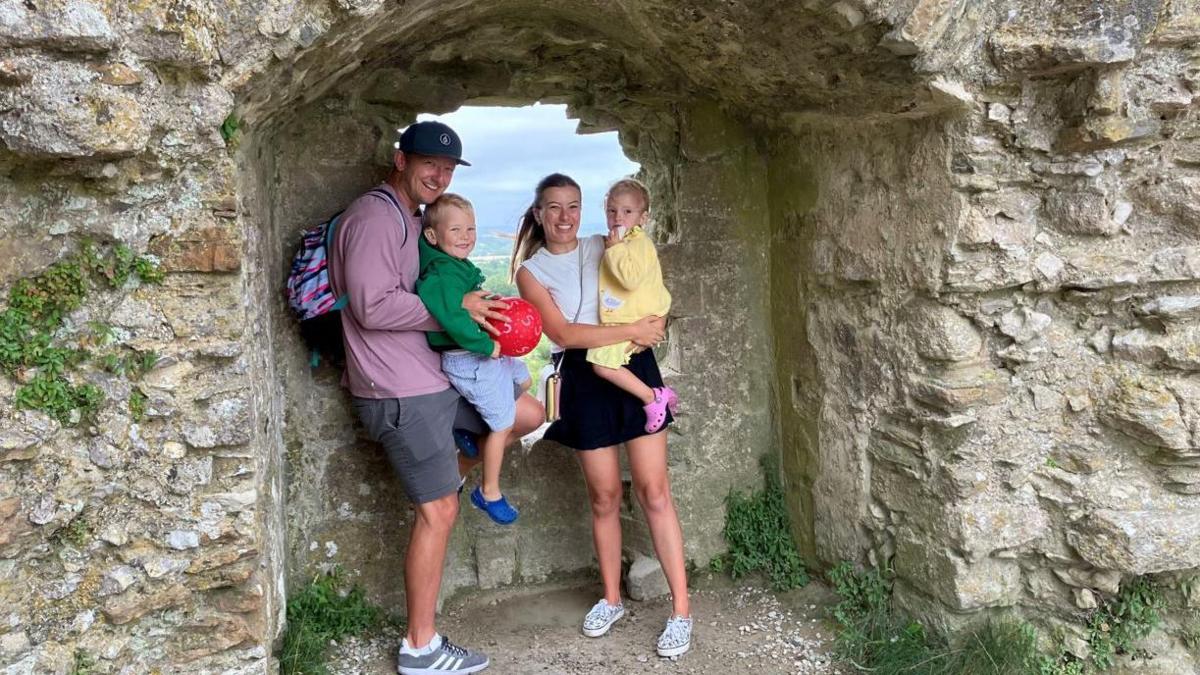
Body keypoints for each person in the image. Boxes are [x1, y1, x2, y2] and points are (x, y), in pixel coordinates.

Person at [329, 121, 539, 675]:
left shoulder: (413, 217)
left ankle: (454, 470)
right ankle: (420, 647)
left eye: (447, 169)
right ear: (400, 160)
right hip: (398, 391)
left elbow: (434, 284)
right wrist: (458, 310)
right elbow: (372, 307)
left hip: (428, 381)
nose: (438, 174)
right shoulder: (375, 217)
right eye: (429, 164)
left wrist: (469, 304)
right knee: (439, 511)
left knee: (525, 412)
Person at [512, 173, 694, 658]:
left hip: (633, 363)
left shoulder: (604, 242)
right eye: (553, 207)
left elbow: (645, 280)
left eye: (573, 206)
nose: (564, 216)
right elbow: (566, 334)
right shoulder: (530, 272)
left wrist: (650, 323)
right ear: (538, 214)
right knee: (604, 496)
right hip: (583, 376)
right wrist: (634, 327)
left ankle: (681, 610)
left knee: (655, 492)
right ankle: (611, 599)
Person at [416, 192, 535, 525]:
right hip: (468, 357)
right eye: (456, 230)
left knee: (524, 379)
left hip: (480, 350)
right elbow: (453, 317)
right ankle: (489, 491)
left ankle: (469, 434)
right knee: (504, 423)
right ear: (432, 236)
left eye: (471, 229)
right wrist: (485, 347)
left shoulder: (457, 266)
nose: (466, 237)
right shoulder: (442, 274)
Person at [587, 178, 678, 433]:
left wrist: (614, 250)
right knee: (604, 365)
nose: (618, 217)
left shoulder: (638, 243)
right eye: (611, 211)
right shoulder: (625, 242)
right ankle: (656, 395)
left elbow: (629, 279)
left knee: (602, 365)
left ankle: (653, 397)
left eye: (627, 212)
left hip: (633, 321)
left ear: (643, 218)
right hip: (629, 320)